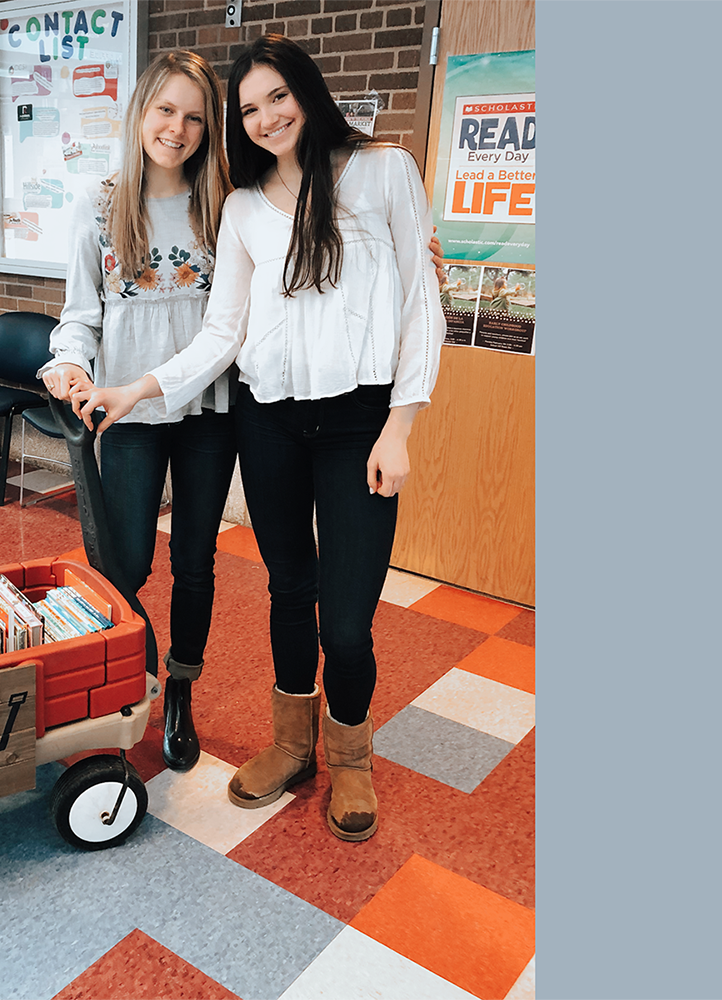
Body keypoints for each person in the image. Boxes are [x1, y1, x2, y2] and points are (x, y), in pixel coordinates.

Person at [70, 34, 444, 842]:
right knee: (288, 590)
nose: (267, 116)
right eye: (249, 108)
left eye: (279, 96)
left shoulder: (383, 172)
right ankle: (291, 743)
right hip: (269, 422)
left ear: (307, 93)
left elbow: (421, 305)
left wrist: (400, 426)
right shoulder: (242, 206)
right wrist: (137, 386)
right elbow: (222, 333)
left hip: (358, 427)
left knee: (346, 621)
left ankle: (350, 753)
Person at [40, 50, 235, 773]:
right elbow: (78, 316)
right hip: (127, 411)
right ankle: (139, 665)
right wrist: (69, 365)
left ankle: (180, 690)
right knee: (122, 564)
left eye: (193, 116)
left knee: (196, 562)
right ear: (139, 111)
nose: (177, 129)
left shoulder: (225, 202)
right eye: (165, 110)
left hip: (211, 409)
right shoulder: (96, 204)